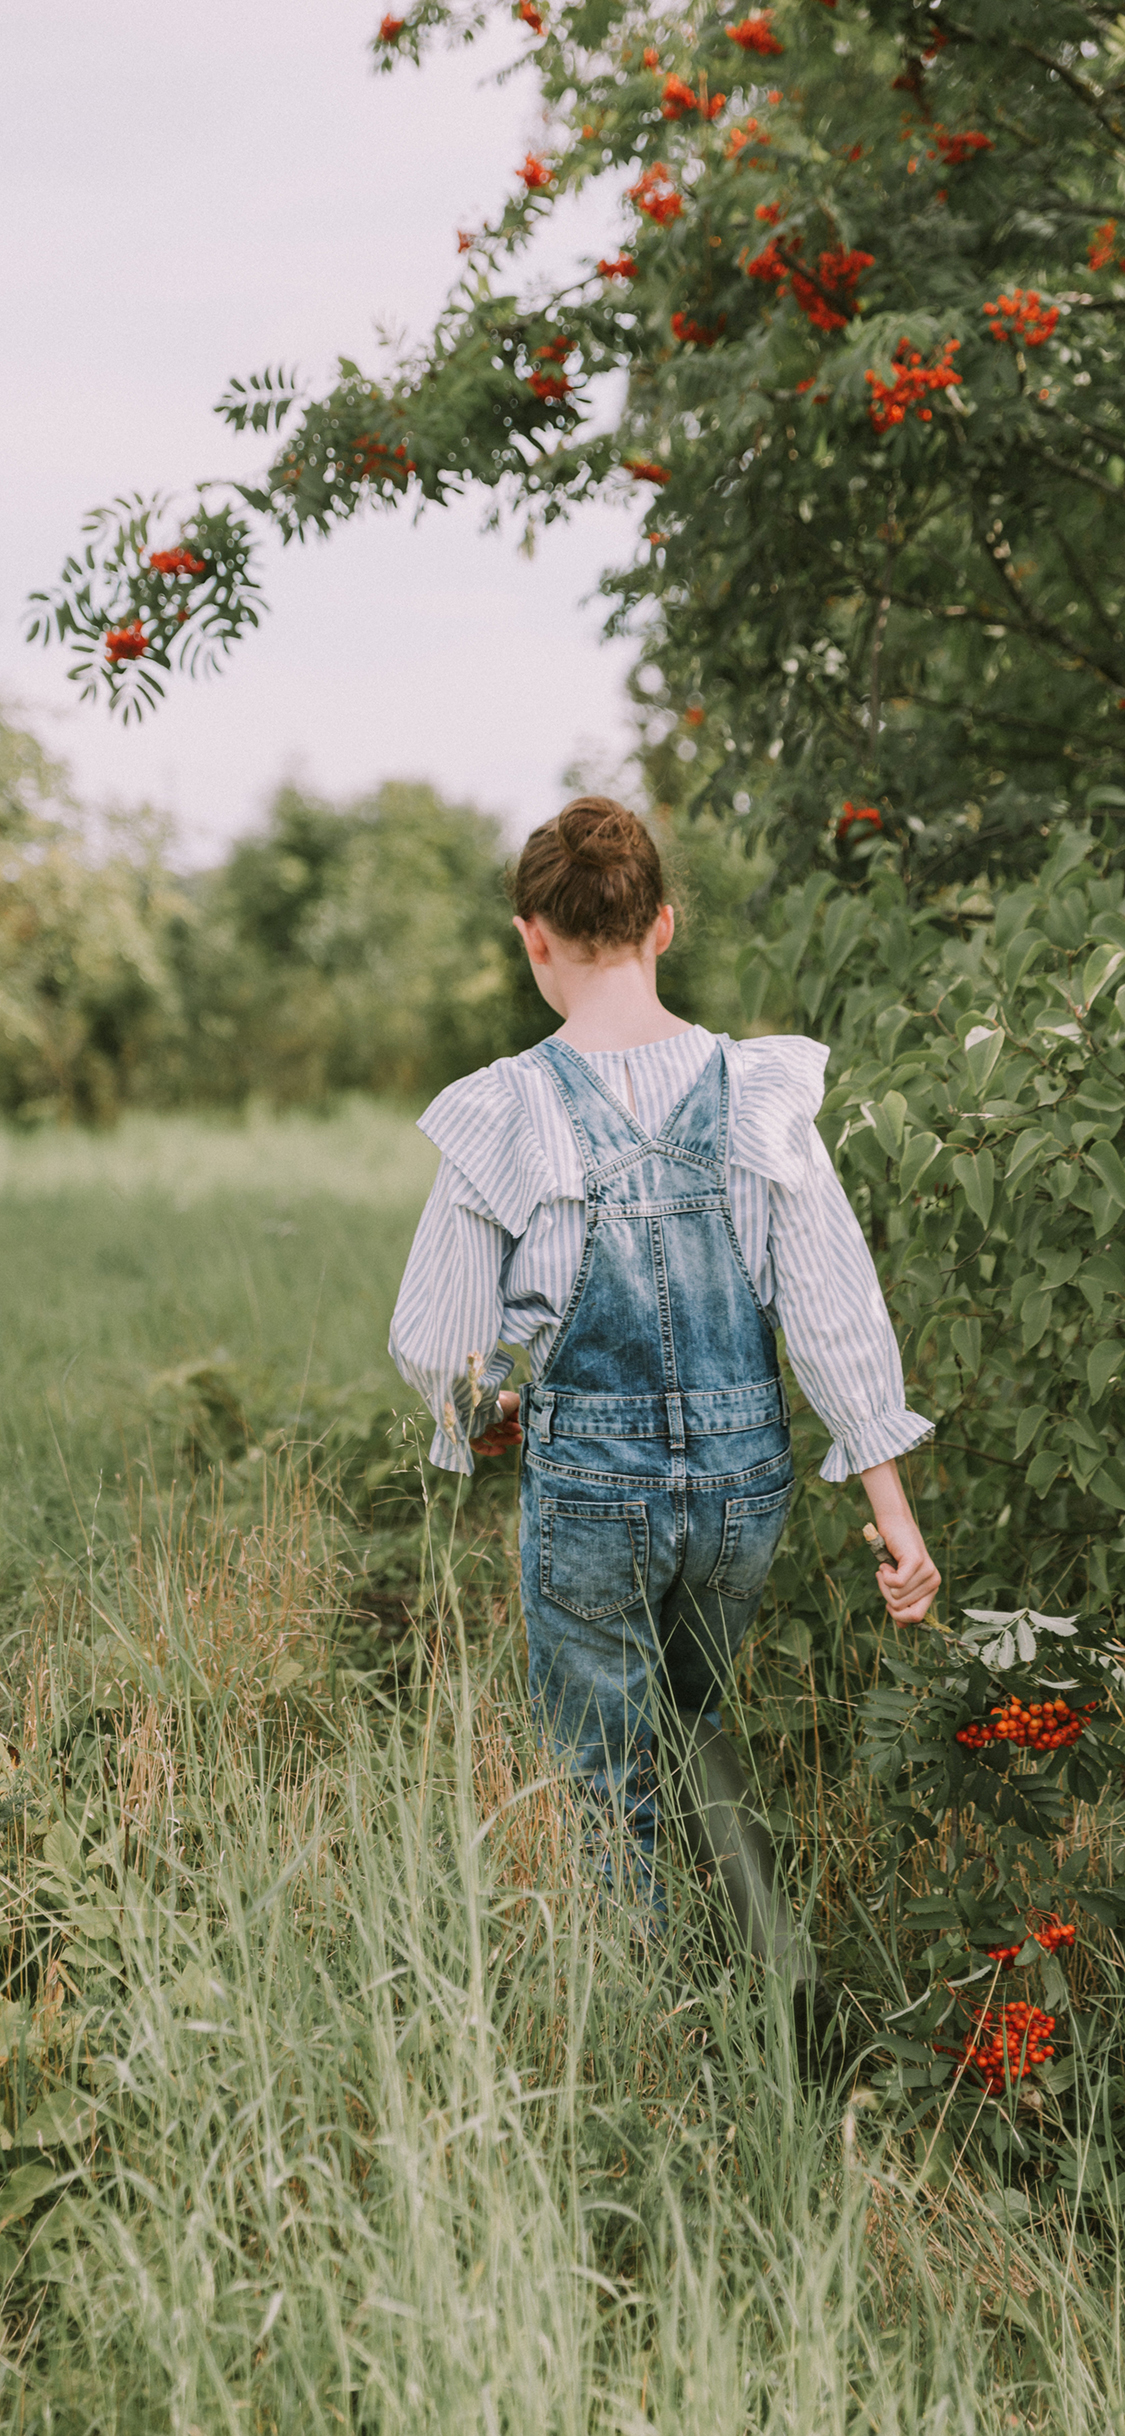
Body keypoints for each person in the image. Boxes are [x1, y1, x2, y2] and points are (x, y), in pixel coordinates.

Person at [390, 796, 940, 1969]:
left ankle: (644, 2013)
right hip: (744, 1485)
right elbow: (834, 1305)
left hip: (592, 1488)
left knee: (602, 1768)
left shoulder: (510, 1107)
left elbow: (443, 1337)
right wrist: (892, 1512)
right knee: (694, 1718)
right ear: (665, 925)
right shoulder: (756, 1090)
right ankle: (774, 1982)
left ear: (533, 937)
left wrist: (485, 1418)